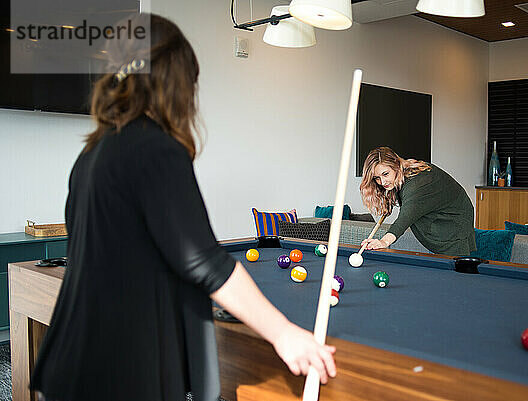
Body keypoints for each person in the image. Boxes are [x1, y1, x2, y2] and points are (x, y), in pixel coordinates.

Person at [30, 14, 335, 401]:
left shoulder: (91, 155)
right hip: (119, 372)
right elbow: (206, 263)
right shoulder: (156, 150)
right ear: (174, 80)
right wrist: (285, 333)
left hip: (70, 364)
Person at [359, 147, 476, 256]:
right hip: (440, 218)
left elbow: (405, 218)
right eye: (377, 178)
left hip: (454, 223)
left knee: (453, 272)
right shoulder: (402, 175)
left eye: (385, 174)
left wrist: (383, 242)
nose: (383, 182)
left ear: (396, 165)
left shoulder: (416, 184)